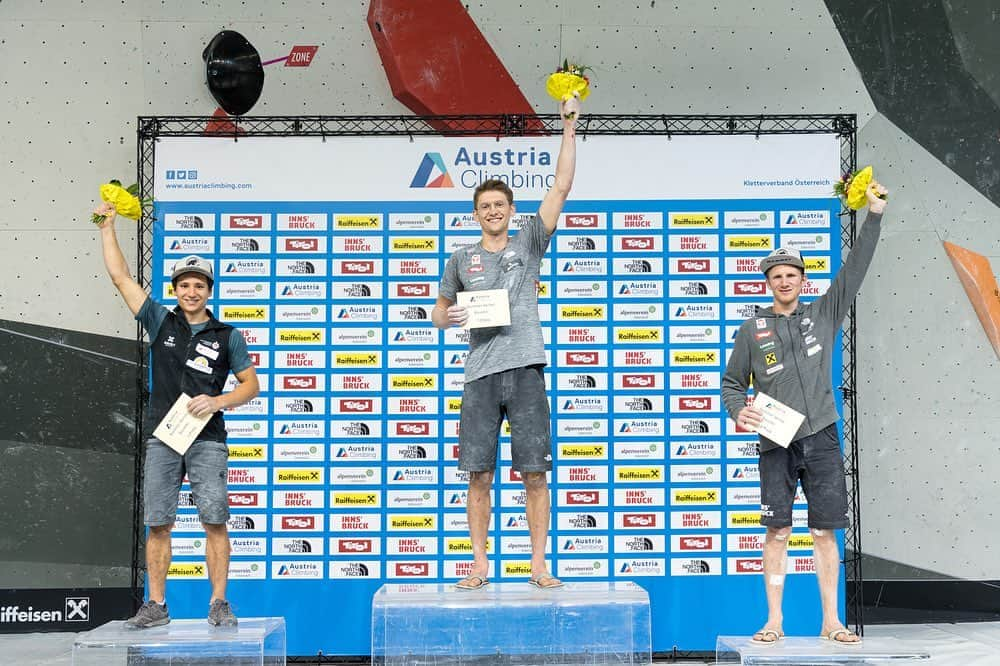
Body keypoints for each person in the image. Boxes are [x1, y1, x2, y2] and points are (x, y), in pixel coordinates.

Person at [721, 180, 888, 645]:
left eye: (791, 273)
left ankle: (832, 621)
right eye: (776, 275)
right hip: (775, 440)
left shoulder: (824, 313)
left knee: (823, 532)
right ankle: (773, 620)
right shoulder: (751, 330)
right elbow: (732, 384)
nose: (785, 280)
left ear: (803, 280)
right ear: (767, 283)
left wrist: (873, 216)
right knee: (776, 531)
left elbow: (855, 269)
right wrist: (739, 411)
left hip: (822, 435)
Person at [432, 94, 581, 590]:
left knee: (535, 473)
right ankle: (479, 564)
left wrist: (568, 126)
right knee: (478, 474)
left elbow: (561, 185)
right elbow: (438, 314)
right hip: (479, 376)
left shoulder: (529, 241)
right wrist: (446, 317)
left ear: (511, 210)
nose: (493, 211)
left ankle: (539, 564)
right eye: (484, 207)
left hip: (525, 371)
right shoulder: (460, 258)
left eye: (500, 205)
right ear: (475, 214)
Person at [95, 201, 259, 628]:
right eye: (184, 284)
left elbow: (251, 385)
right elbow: (120, 278)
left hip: (207, 439)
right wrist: (107, 227)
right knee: (158, 523)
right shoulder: (160, 321)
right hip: (163, 437)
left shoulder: (228, 335)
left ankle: (219, 603)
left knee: (214, 519)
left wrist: (218, 401)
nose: (191, 291)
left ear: (209, 290)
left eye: (199, 285)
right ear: (176, 289)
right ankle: (157, 605)